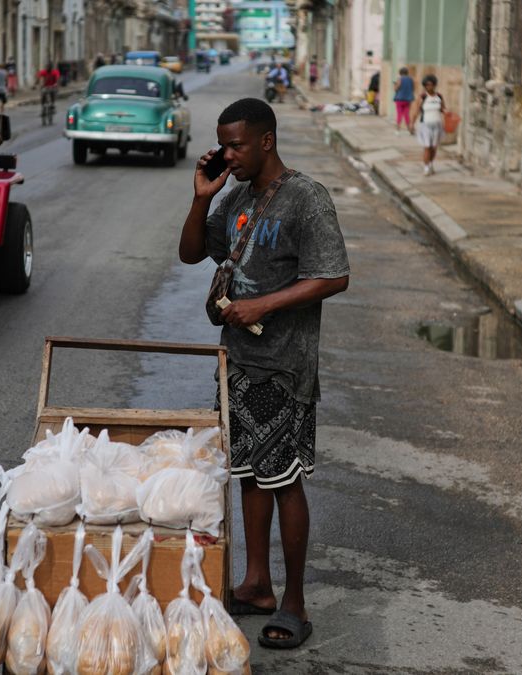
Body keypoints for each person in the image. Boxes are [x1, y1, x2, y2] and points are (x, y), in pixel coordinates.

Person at [178, 98, 350, 650]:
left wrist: (264, 305)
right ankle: (256, 584)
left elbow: (333, 275)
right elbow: (190, 254)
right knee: (250, 472)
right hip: (239, 362)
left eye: (237, 145)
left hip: (284, 366)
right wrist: (201, 198)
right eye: (223, 145)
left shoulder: (307, 198)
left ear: (266, 141)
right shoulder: (235, 198)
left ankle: (294, 601)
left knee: (283, 479)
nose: (228, 154)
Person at [409, 74, 446, 175]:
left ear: (434, 85)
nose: (429, 87)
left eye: (431, 85)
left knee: (434, 147)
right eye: (427, 85)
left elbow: (443, 109)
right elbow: (416, 111)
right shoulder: (422, 97)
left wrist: (447, 113)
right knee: (427, 147)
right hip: (425, 125)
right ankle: (426, 167)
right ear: (424, 86)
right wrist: (412, 124)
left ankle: (430, 164)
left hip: (437, 124)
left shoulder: (439, 96)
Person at [393, 66, 414, 133]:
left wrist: (395, 85)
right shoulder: (410, 79)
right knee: (406, 114)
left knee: (399, 113)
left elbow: (396, 88)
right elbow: (413, 89)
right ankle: (409, 128)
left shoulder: (400, 79)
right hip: (408, 99)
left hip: (399, 99)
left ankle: (398, 128)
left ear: (400, 73)